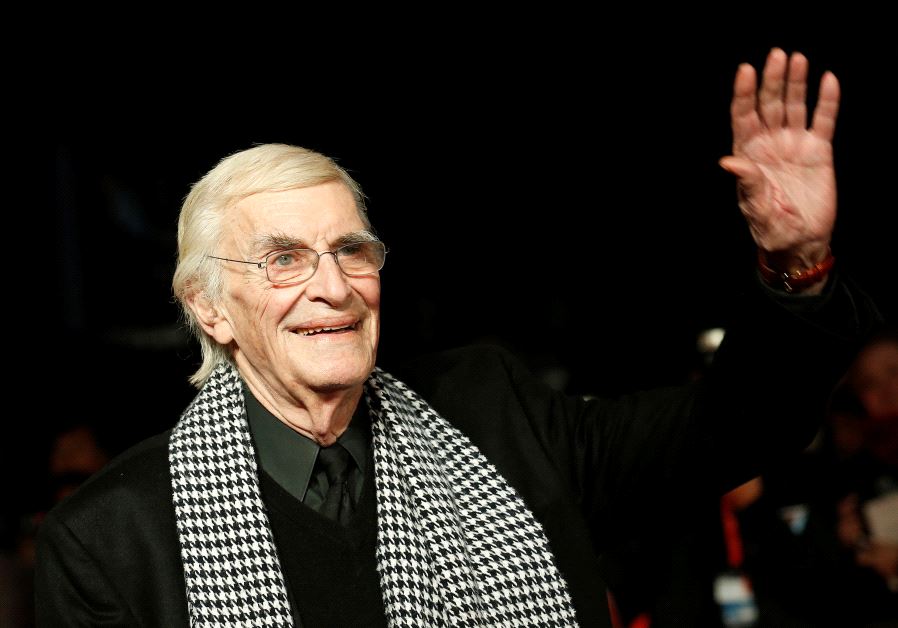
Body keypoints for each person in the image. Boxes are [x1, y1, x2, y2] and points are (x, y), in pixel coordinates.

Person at [34, 48, 882, 627]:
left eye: (350, 250)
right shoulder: (114, 539)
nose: (332, 286)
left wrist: (796, 263)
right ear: (209, 308)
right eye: (283, 259)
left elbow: (732, 428)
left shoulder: (491, 411)